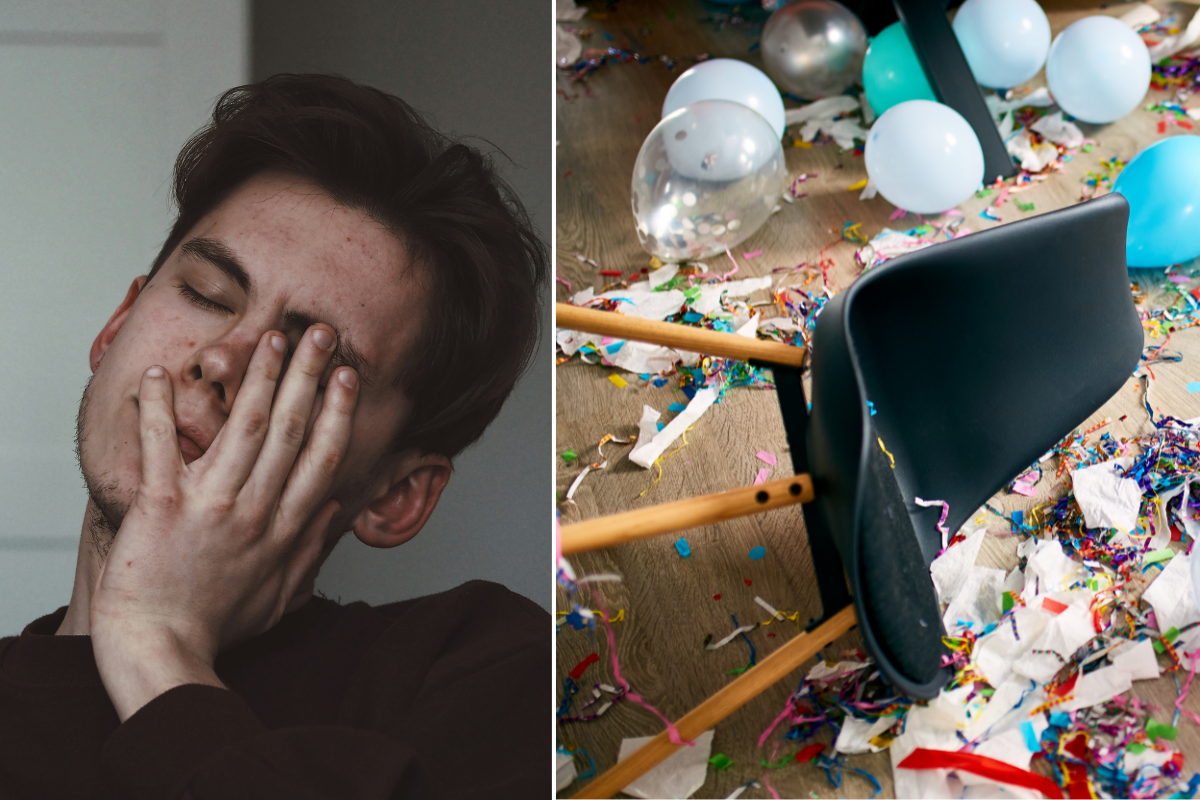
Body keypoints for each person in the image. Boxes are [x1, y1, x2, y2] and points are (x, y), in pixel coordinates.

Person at [0, 73, 548, 799]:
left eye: (311, 364)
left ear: (398, 495)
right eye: (204, 294)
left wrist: (156, 642)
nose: (221, 360)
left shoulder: (488, 669)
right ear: (116, 327)